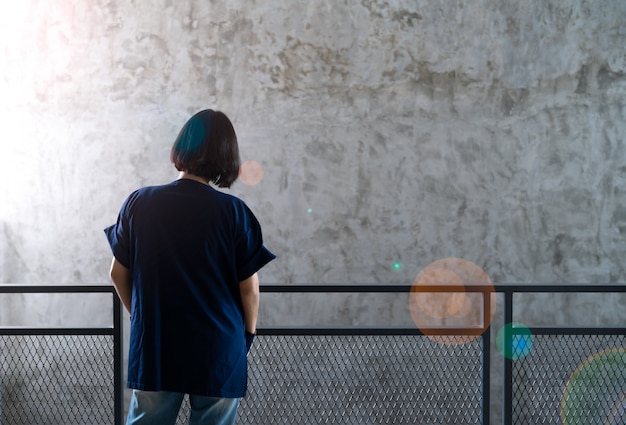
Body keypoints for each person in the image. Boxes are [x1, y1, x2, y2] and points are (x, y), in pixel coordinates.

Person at [104, 109, 276, 425]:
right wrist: (246, 334)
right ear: (226, 156)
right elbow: (249, 289)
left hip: (157, 343)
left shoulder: (139, 203)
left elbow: (117, 272)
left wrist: (141, 315)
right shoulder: (234, 212)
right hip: (218, 347)